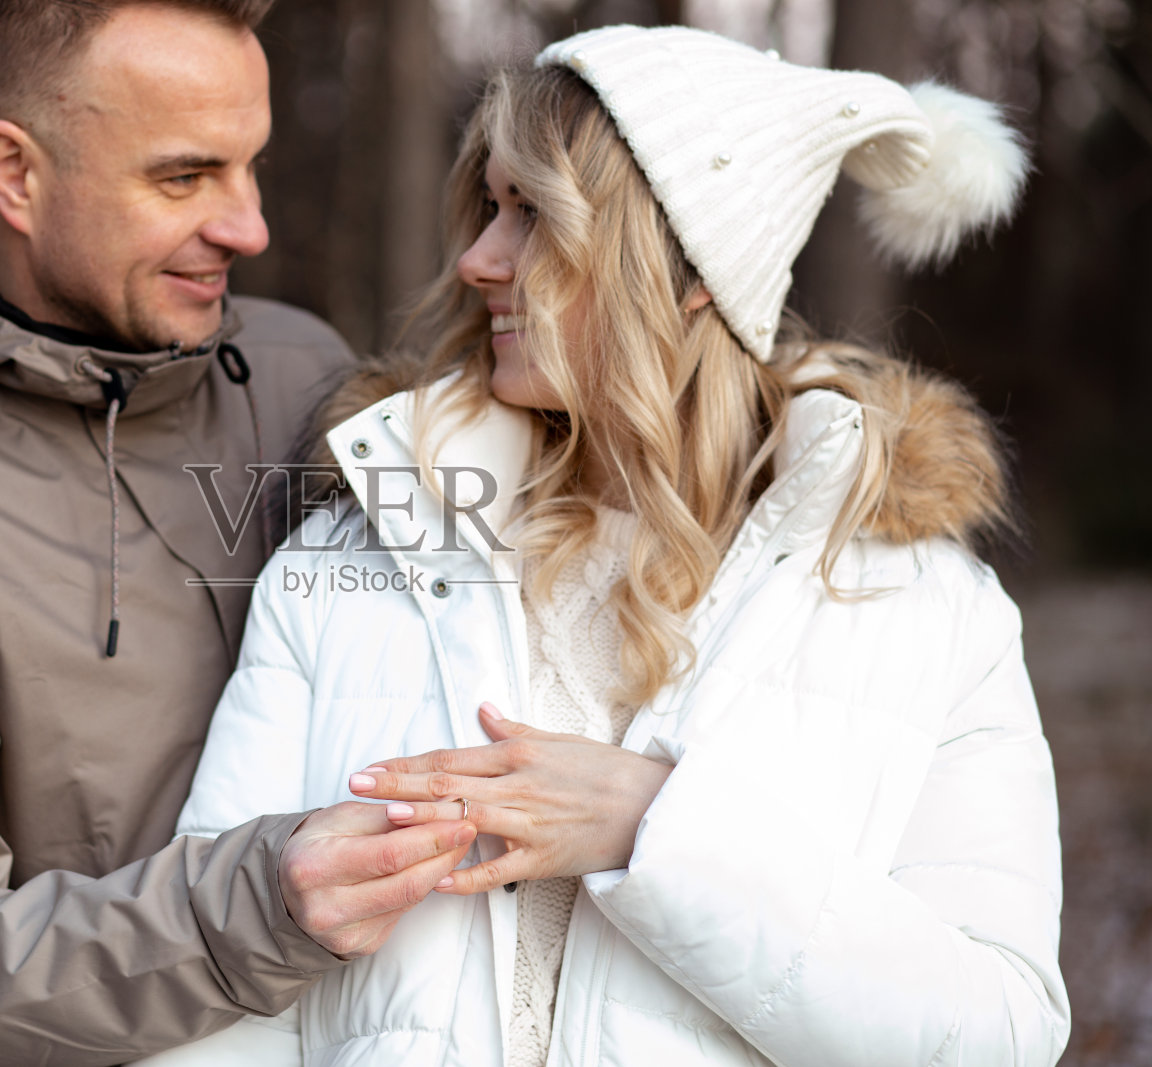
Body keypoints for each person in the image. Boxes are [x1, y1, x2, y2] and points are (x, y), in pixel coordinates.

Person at [145, 24, 1071, 1067]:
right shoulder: (351, 560)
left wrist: (658, 829)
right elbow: (218, 995)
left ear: (691, 271)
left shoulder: (930, 614)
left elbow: (997, 1031)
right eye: (489, 208)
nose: (478, 259)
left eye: (532, 215)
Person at [0, 2, 479, 1064]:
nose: (247, 225)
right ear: (15, 174)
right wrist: (246, 913)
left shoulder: (310, 376)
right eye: (183, 177)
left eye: (250, 166)